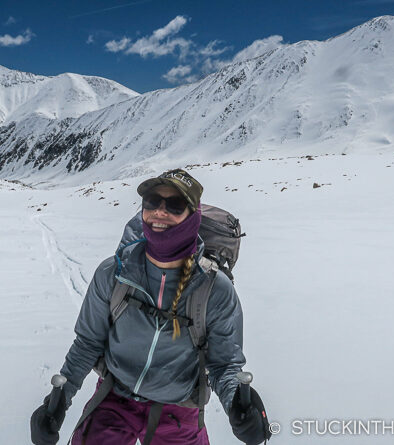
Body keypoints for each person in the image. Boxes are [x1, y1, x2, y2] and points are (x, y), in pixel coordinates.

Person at [30, 169, 271, 445]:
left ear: (193, 218)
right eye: (152, 202)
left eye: (175, 205)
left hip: (179, 409)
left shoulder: (213, 290)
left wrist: (238, 407)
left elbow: (224, 364)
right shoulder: (113, 274)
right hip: (114, 398)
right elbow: (87, 344)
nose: (160, 211)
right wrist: (58, 403)